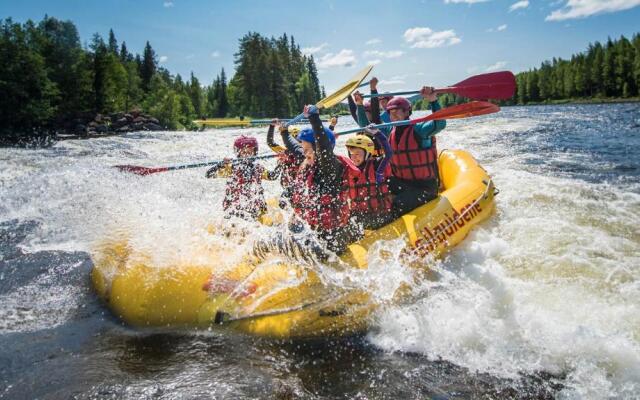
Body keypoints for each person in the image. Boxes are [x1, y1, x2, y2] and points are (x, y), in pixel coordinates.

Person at [254, 105, 361, 258]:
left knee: (276, 242)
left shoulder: (331, 167)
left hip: (331, 238)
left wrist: (314, 117)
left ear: (319, 149)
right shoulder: (308, 160)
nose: (304, 153)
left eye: (307, 149)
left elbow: (323, 146)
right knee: (267, 238)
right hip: (311, 230)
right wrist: (284, 132)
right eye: (303, 149)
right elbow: (293, 146)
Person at [384, 87, 447, 217]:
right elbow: (364, 123)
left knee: (399, 202)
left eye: (397, 111)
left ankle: (393, 223)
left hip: (424, 188)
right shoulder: (390, 131)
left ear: (407, 112)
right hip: (403, 183)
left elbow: (439, 124)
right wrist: (359, 104)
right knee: (378, 186)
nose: (393, 115)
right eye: (391, 112)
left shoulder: (419, 129)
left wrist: (433, 100)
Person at [205, 135, 278, 221]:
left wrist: (281, 163)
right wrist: (220, 165)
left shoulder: (258, 168)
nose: (247, 155)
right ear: (238, 153)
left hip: (255, 208)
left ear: (255, 153)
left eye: (249, 152)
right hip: (235, 208)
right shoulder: (231, 168)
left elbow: (272, 176)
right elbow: (208, 174)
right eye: (244, 152)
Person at [344, 128, 394, 230]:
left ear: (367, 153)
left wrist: (378, 133)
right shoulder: (347, 170)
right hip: (358, 216)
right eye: (351, 154)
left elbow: (389, 153)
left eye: (357, 154)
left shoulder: (377, 167)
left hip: (380, 215)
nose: (353, 158)